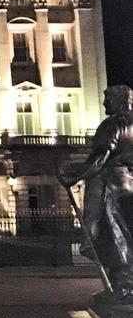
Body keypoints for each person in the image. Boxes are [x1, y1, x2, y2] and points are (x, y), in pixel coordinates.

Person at [61, 84, 133, 301]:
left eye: (108, 99)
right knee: (123, 235)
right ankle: (120, 285)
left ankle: (125, 287)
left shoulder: (112, 124)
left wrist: (73, 177)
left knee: (102, 234)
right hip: (128, 183)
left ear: (120, 101)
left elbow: (100, 158)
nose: (103, 103)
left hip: (108, 185)